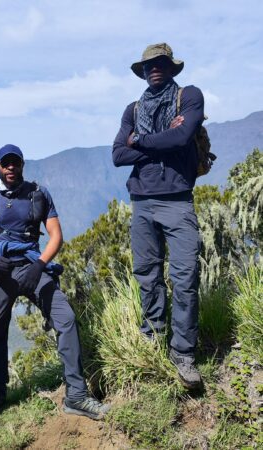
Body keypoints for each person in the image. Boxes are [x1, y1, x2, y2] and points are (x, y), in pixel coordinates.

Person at [0, 144, 110, 420]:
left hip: (33, 266)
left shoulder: (38, 193)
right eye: (5, 163)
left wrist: (40, 265)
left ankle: (76, 396)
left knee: (65, 318)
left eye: (15, 163)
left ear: (22, 165)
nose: (10, 168)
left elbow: (56, 235)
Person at [112, 43, 204, 389]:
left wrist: (140, 142)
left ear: (171, 67)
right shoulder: (133, 109)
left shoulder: (189, 97)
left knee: (185, 277)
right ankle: (153, 336)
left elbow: (182, 137)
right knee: (147, 274)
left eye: (161, 63)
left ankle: (184, 352)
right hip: (142, 203)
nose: (154, 69)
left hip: (178, 201)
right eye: (149, 65)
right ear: (142, 70)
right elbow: (117, 155)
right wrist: (154, 141)